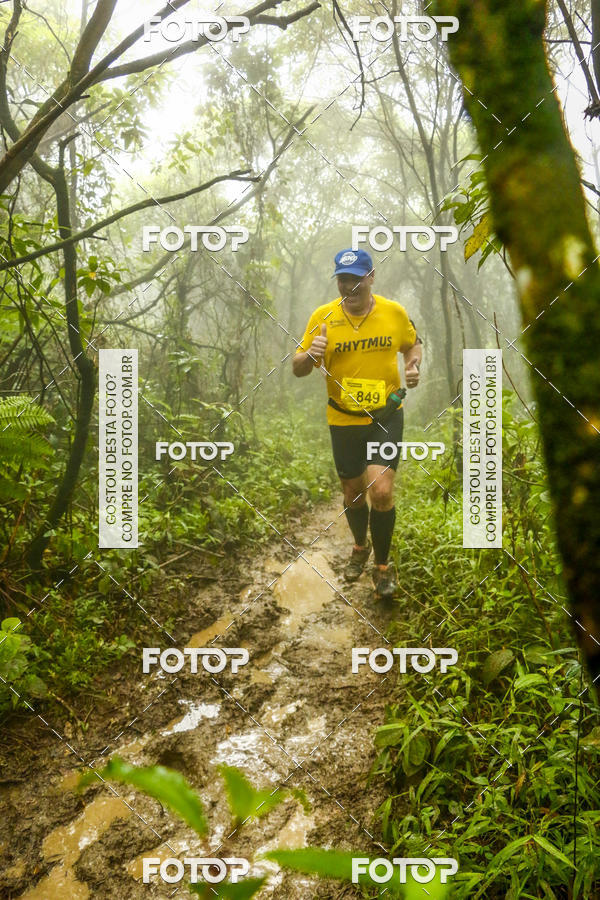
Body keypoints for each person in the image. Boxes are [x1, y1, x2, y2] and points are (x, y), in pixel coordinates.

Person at [292, 248, 422, 599]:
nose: (349, 286)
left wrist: (413, 366)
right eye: (343, 279)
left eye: (356, 279)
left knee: (380, 489)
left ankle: (381, 567)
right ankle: (359, 547)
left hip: (385, 415)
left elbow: (413, 345)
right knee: (352, 493)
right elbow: (298, 366)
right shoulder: (322, 317)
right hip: (343, 418)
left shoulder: (393, 313)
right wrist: (311, 355)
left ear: (371, 277)